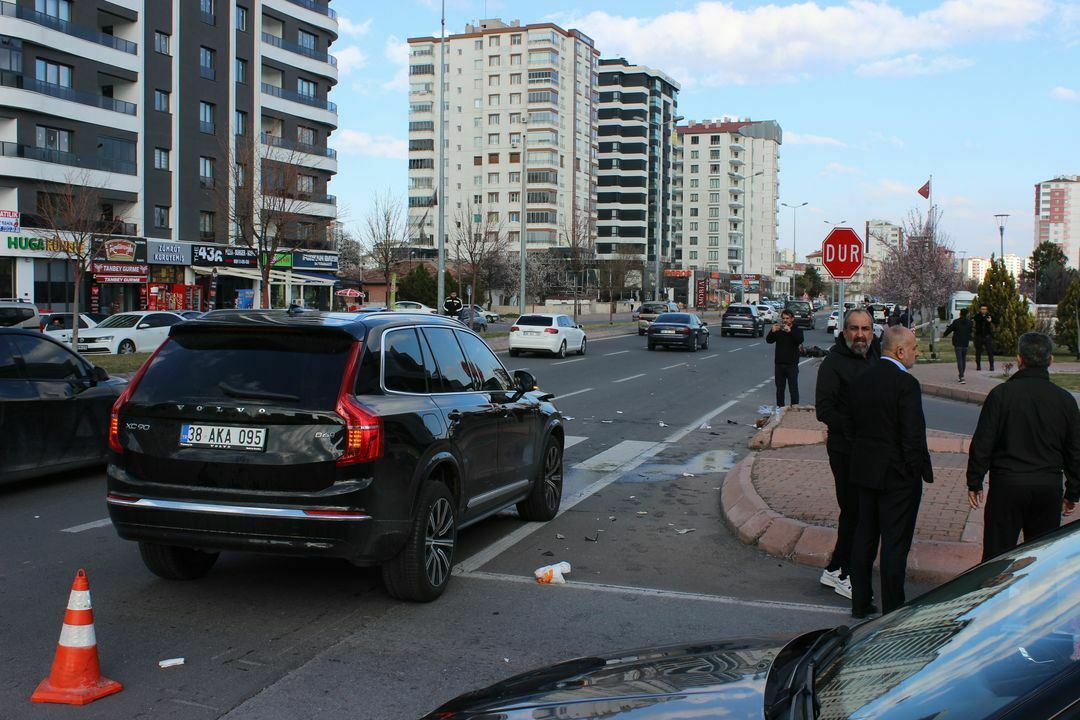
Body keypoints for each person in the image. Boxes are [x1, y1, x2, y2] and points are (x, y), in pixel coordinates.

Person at [966, 332, 1079, 561]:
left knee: (996, 560)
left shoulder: (1001, 395)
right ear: (1050, 360)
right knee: (1042, 562)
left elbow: (983, 442)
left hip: (1007, 485)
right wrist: (1073, 491)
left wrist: (975, 480)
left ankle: (996, 596)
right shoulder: (1065, 400)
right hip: (1048, 486)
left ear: (1019, 360)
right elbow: (1074, 451)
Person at [847, 326, 933, 618]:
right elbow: (913, 434)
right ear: (899, 351)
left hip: (864, 471)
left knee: (865, 536)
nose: (916, 353)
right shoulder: (906, 384)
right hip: (897, 476)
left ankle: (860, 600)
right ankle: (893, 609)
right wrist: (914, 469)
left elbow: (852, 426)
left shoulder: (860, 379)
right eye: (913, 348)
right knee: (895, 544)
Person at [815, 308, 881, 600]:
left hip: (871, 448)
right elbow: (824, 410)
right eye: (854, 329)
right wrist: (856, 424)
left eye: (865, 329)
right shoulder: (833, 363)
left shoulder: (877, 357)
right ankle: (848, 575)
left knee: (854, 511)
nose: (860, 335)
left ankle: (834, 568)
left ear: (872, 331)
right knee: (857, 509)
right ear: (844, 332)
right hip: (845, 449)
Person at [766, 308, 804, 408]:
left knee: (793, 388)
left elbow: (800, 339)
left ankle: (795, 408)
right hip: (779, 365)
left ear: (792, 319)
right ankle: (780, 408)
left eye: (787, 318)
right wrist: (772, 331)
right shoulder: (779, 329)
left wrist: (790, 331)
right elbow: (769, 340)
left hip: (792, 365)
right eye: (783, 318)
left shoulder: (797, 329)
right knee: (780, 389)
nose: (785, 320)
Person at [943, 308, 973, 383]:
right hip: (965, 342)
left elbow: (950, 329)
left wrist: (944, 334)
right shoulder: (970, 322)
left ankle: (961, 376)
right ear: (967, 314)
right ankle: (962, 375)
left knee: (959, 360)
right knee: (963, 359)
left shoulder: (956, 322)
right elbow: (970, 331)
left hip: (957, 342)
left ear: (960, 313)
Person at [973, 303, 995, 372]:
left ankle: (991, 366)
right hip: (979, 336)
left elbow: (996, 321)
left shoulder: (989, 315)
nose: (984, 310)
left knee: (990, 351)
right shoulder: (977, 316)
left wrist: (990, 321)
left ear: (987, 310)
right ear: (980, 309)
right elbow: (978, 319)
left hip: (987, 336)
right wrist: (986, 319)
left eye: (985, 309)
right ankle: (978, 366)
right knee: (978, 351)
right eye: (982, 309)